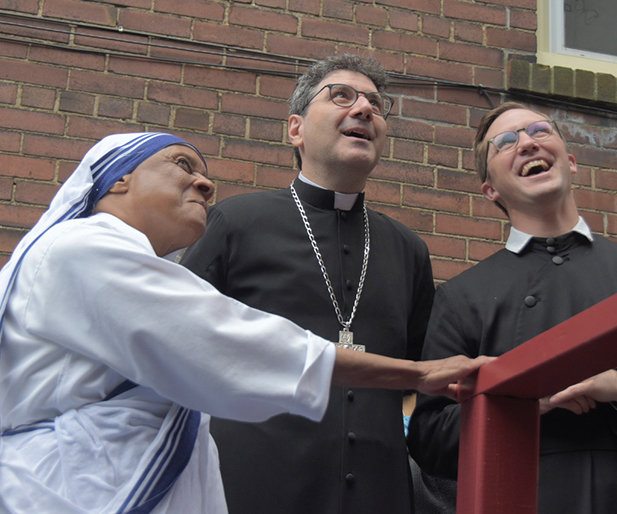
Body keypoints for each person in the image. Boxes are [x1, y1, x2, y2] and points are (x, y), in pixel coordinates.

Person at [0, 132, 490, 514]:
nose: (205, 183)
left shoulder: (404, 247)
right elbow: (224, 339)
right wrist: (416, 374)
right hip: (71, 488)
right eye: (182, 164)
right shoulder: (81, 249)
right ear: (117, 180)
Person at [407, 102, 617, 514]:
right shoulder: (461, 299)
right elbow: (429, 438)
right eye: (505, 142)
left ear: (571, 163)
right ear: (491, 191)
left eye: (539, 130)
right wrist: (524, 403)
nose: (527, 143)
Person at [180, 54, 435, 514]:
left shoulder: (408, 249)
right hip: (251, 486)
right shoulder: (236, 222)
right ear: (295, 129)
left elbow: (419, 376)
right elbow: (178, 341)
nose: (364, 110)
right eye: (342, 96)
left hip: (380, 493)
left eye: (376, 104)